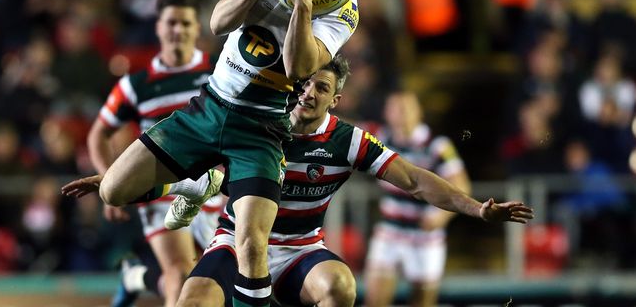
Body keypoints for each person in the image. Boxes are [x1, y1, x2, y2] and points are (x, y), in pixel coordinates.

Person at [62, 0, 359, 307]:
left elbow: (298, 66)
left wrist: (303, 6)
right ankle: (196, 183)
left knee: (252, 248)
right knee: (112, 191)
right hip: (209, 109)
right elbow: (218, 22)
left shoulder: (343, 7)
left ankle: (204, 183)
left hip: (262, 128)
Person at [170, 56, 533, 307]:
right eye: (306, 82)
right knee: (191, 300)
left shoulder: (348, 141)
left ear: (335, 99)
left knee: (341, 286)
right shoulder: (255, 124)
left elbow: (414, 180)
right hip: (236, 241)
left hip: (299, 250)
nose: (310, 92)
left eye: (322, 87)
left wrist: (476, 209)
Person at [85, 0, 222, 307]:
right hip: (161, 189)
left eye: (185, 23)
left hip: (213, 187)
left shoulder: (219, 73)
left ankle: (136, 277)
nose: (178, 30)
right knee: (179, 273)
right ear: (158, 27)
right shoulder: (136, 84)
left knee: (217, 277)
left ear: (196, 28)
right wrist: (111, 182)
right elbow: (98, 135)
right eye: (171, 22)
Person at [363, 91, 471, 307]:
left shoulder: (437, 146)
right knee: (374, 300)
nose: (401, 114)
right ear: (387, 113)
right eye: (396, 108)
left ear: (418, 112)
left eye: (407, 108)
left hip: (424, 237)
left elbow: (462, 184)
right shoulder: (381, 138)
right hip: (390, 232)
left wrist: (440, 216)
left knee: (422, 302)